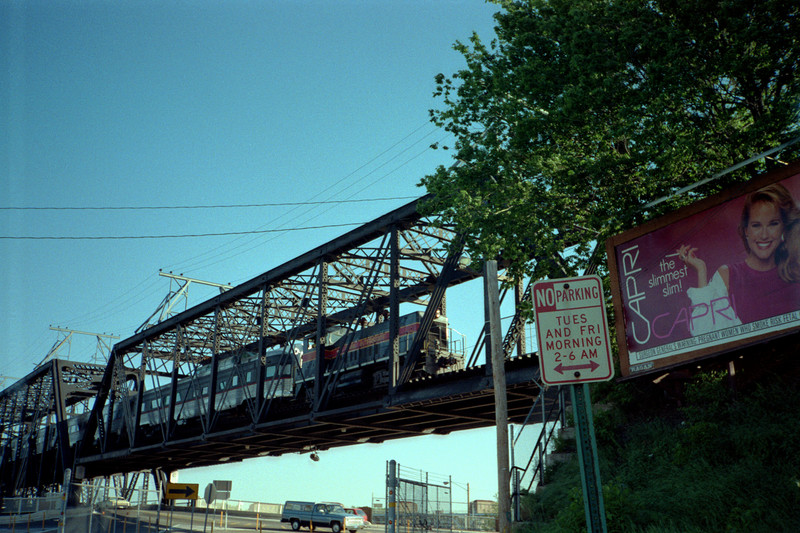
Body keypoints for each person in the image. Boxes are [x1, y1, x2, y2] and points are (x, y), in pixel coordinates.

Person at [678, 183, 800, 332]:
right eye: (756, 225)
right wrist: (701, 270)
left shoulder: (795, 270)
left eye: (773, 224)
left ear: (784, 226)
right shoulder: (728, 275)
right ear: (746, 230)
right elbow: (702, 332)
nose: (764, 235)